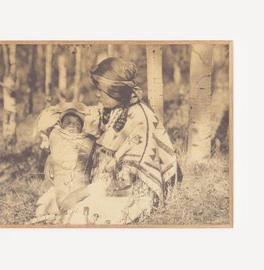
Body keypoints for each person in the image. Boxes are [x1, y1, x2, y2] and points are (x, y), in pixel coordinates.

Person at [61, 57, 182, 225]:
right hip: (104, 187)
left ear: (116, 91)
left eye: (101, 90)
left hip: (133, 196)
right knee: (51, 202)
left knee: (76, 216)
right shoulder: (113, 110)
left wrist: (82, 193)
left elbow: (127, 179)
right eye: (97, 89)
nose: (97, 94)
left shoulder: (140, 119)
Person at [34, 102, 99, 218]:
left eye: (77, 125)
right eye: (67, 123)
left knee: (83, 212)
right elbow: (48, 117)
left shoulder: (87, 140)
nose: (72, 127)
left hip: (80, 191)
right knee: (42, 207)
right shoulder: (56, 135)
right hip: (59, 189)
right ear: (61, 125)